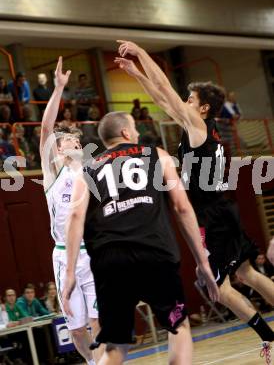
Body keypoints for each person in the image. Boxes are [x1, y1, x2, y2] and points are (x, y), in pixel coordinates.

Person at [114, 40, 274, 361]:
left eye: (190, 99)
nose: (182, 102)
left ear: (201, 108)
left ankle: (269, 338)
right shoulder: (200, 128)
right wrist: (136, 74)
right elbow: (162, 97)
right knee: (248, 275)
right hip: (221, 207)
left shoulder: (198, 125)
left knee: (222, 290)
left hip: (211, 216)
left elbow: (165, 89)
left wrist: (142, 55)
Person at [62, 111, 219, 365]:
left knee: (115, 348)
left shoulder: (87, 169)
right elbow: (182, 207)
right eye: (134, 128)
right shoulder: (157, 154)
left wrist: (69, 272)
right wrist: (203, 262)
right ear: (125, 132)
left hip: (110, 260)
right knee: (178, 327)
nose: (136, 133)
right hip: (154, 251)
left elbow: (75, 216)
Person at [40, 57, 101, 365]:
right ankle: (92, 362)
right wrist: (59, 88)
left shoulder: (91, 174)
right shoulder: (53, 174)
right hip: (64, 255)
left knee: (98, 322)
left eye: (75, 139)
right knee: (77, 329)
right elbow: (46, 127)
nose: (72, 143)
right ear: (58, 148)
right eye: (65, 141)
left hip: (92, 253)